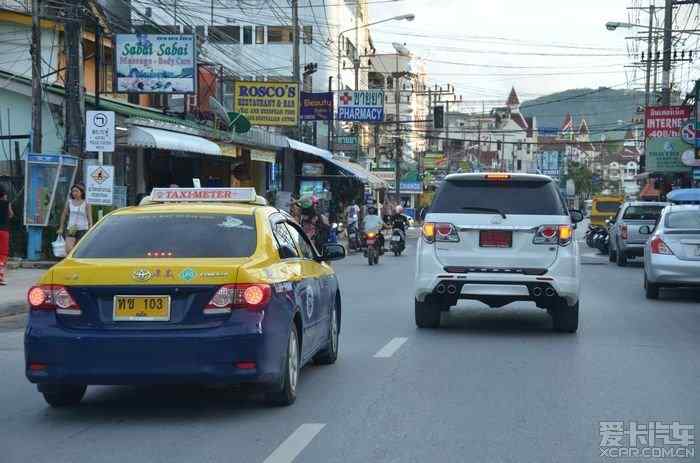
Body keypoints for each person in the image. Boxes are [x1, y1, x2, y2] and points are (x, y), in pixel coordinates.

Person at [58, 184, 92, 253]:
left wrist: (90, 227)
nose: (74, 193)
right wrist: (61, 227)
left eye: (77, 191)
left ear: (81, 192)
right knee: (68, 249)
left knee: (79, 250)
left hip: (83, 228)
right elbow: (64, 214)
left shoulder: (86, 203)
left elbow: (89, 216)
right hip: (71, 228)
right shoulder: (69, 202)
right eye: (73, 191)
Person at [0, 185, 13, 285]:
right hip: (4, 231)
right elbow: (11, 214)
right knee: (3, 254)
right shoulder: (6, 203)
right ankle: (0, 277)